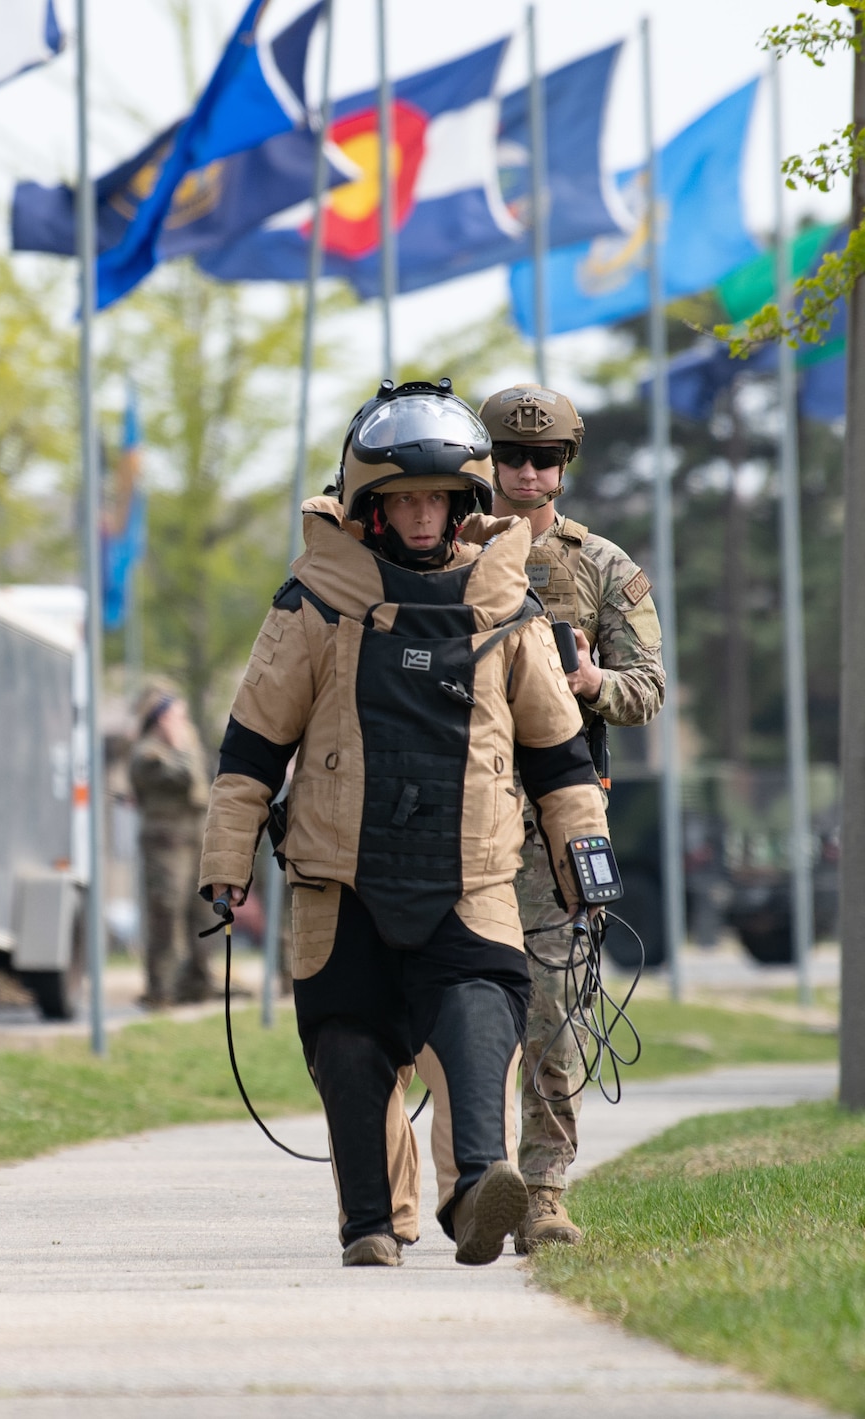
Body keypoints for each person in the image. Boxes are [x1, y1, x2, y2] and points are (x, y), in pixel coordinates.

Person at [200, 378, 610, 1268]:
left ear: (463, 504)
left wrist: (589, 869)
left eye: (437, 499)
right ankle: (369, 1225)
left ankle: (477, 1186)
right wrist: (224, 865)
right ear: (369, 507)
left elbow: (560, 761)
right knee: (348, 1040)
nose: (423, 517)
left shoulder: (510, 609)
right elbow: (251, 750)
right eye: (403, 500)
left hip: (471, 877)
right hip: (338, 879)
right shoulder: (313, 603)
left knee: (477, 1018)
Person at [475, 384, 666, 1253]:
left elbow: (649, 688)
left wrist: (591, 684)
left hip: (558, 812)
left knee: (552, 1004)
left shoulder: (603, 567)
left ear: (564, 465)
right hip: (462, 810)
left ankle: (545, 1189)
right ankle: (469, 1180)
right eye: (510, 457)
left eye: (543, 459)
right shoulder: (450, 549)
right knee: (463, 1003)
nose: (525, 472)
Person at [130, 679, 213, 1007]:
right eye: (176, 716)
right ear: (161, 719)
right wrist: (178, 745)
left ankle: (197, 981)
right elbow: (184, 777)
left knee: (202, 911)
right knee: (166, 911)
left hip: (194, 837)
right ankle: (161, 988)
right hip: (167, 843)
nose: (183, 723)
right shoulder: (149, 753)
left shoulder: (185, 745)